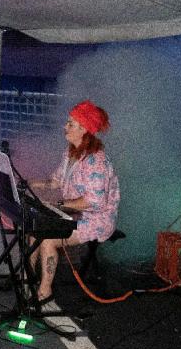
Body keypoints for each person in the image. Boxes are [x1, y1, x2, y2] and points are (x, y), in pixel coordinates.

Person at [32, 100, 120, 305]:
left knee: (47, 239)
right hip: (73, 214)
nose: (65, 126)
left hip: (97, 220)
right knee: (32, 230)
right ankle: (27, 282)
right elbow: (55, 181)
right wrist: (29, 183)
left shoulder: (95, 161)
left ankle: (44, 292)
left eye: (70, 123)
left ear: (84, 129)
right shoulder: (70, 152)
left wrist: (60, 206)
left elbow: (94, 202)